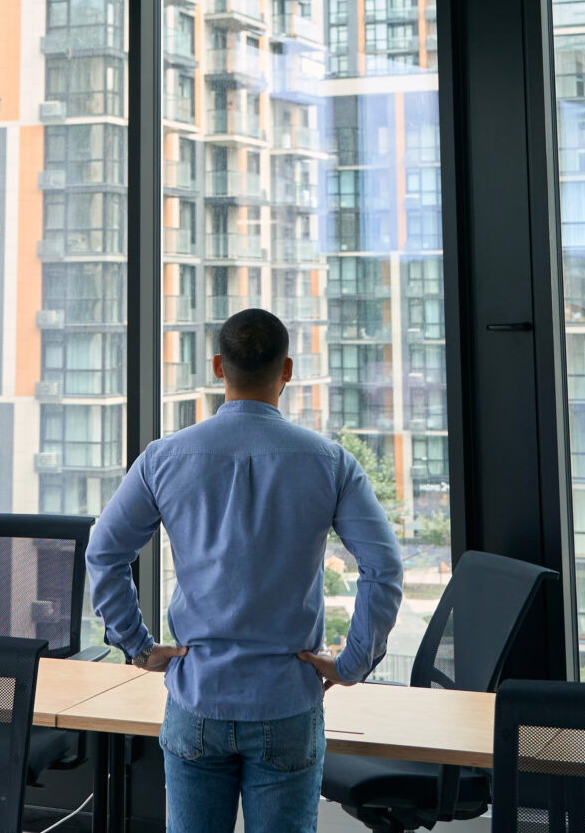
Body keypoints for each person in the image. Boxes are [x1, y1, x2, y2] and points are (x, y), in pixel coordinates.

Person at [87, 308, 404, 833]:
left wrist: (138, 646)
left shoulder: (164, 458)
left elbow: (105, 554)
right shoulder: (329, 462)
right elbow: (384, 567)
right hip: (286, 705)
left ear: (217, 367)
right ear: (287, 371)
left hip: (197, 701)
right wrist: (351, 664)